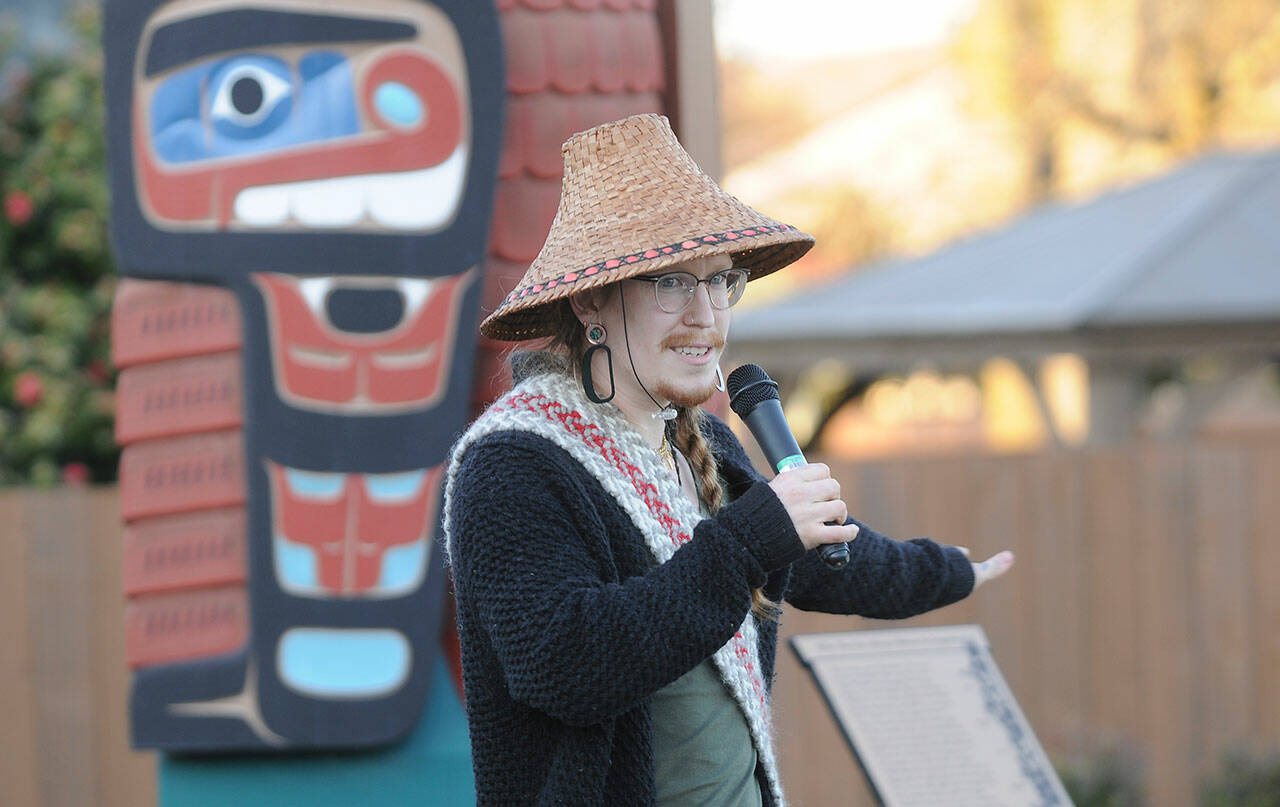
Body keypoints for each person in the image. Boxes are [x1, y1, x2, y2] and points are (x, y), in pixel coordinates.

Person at [442, 113, 1014, 807]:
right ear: (592, 298)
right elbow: (565, 667)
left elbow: (824, 558)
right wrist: (748, 542)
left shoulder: (701, 442)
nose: (707, 316)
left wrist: (947, 570)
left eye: (721, 281)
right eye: (671, 283)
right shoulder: (513, 464)